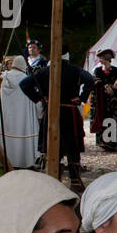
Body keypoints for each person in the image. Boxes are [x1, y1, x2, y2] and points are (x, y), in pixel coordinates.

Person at [19, 54, 96, 192]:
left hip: (52, 112)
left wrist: (39, 98)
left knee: (54, 146)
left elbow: (24, 84)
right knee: (72, 147)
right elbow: (90, 79)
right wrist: (81, 97)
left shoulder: (44, 71)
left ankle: (55, 179)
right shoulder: (74, 69)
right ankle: (74, 180)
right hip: (68, 112)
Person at [0, 55, 38, 169]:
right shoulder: (26, 80)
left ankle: (1, 161)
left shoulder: (2, 77)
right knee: (22, 133)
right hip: (22, 120)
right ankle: (23, 161)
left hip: (4, 119)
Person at [90, 49, 117, 151]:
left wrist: (113, 88)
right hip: (102, 100)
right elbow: (95, 82)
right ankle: (104, 142)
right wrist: (105, 87)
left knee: (115, 120)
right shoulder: (97, 71)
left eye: (101, 58)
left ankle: (116, 143)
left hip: (114, 100)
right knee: (103, 119)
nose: (100, 60)